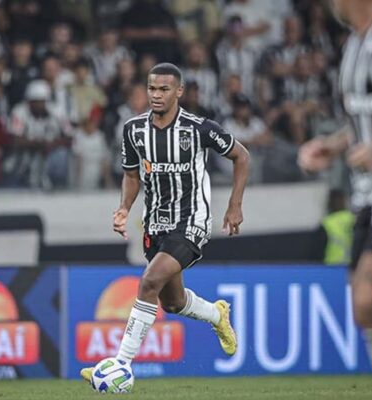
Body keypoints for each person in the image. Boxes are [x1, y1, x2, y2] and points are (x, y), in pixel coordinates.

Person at [80, 63, 250, 382]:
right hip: (154, 225)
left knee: (148, 282)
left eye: (164, 89)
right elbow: (132, 175)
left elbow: (242, 156)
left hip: (191, 221)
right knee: (171, 303)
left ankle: (120, 364)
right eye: (152, 88)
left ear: (179, 92)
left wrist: (235, 205)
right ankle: (216, 314)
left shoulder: (200, 128)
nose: (156, 95)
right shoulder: (133, 130)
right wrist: (123, 208)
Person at [298, 1, 372, 398]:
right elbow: (371, 116)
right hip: (370, 189)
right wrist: (333, 145)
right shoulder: (355, 43)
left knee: (371, 294)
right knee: (367, 304)